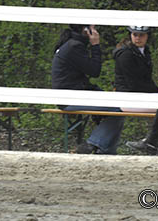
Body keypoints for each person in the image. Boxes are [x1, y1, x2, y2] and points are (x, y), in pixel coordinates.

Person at [51, 24, 124, 154]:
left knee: (119, 107)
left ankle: (104, 151)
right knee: (118, 109)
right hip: (70, 99)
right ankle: (93, 144)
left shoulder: (72, 44)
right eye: (93, 28)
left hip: (74, 95)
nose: (95, 31)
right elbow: (95, 71)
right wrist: (95, 45)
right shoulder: (74, 46)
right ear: (86, 30)